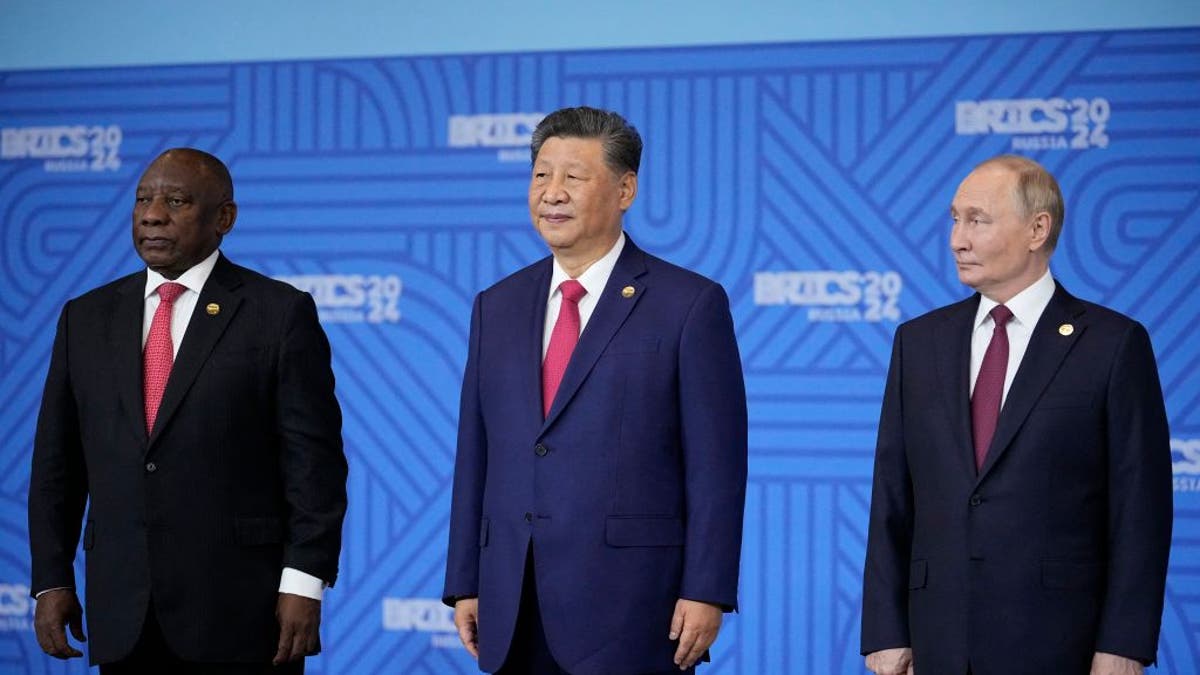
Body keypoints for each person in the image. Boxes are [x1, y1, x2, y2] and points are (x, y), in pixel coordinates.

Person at [442, 106, 748, 674]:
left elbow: (716, 465)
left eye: (573, 178)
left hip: (634, 609)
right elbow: (475, 452)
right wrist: (464, 579)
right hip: (513, 601)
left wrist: (707, 589)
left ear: (625, 188)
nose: (551, 193)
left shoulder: (688, 305)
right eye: (540, 175)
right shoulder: (496, 305)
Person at [28, 148, 348, 674]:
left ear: (224, 218)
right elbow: (56, 467)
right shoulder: (84, 318)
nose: (152, 214)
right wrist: (52, 579)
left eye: (175, 201)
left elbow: (314, 466)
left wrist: (304, 581)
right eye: (142, 200)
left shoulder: (278, 313)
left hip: (243, 613)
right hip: (122, 614)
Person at [861, 155, 1172, 675]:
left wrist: (1123, 645)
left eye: (977, 220)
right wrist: (885, 631)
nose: (957, 239)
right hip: (937, 643)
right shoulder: (918, 342)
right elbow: (892, 495)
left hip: (1060, 644)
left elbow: (1141, 511)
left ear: (1037, 229)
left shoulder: (1113, 345)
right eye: (954, 219)